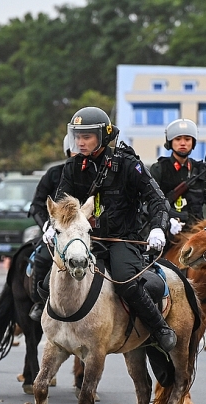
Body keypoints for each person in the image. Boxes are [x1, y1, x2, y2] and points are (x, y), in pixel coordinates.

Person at [32, 106, 176, 352]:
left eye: (86, 136)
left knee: (124, 281)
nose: (80, 141)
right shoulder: (72, 167)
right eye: (77, 136)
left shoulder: (129, 164)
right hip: (86, 240)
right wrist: (50, 225)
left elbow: (158, 200)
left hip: (123, 239)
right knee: (47, 281)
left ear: (103, 136)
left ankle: (160, 327)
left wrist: (158, 229)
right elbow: (59, 204)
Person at [149, 118, 206, 234]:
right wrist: (165, 222)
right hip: (167, 232)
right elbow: (149, 202)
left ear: (193, 142)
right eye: (178, 139)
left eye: (187, 139)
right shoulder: (159, 169)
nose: (183, 143)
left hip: (197, 233)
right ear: (170, 142)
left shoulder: (201, 170)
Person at [27, 137, 69, 321]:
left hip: (85, 231)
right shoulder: (54, 174)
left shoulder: (99, 173)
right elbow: (36, 204)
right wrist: (47, 225)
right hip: (56, 231)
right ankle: (40, 302)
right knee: (43, 258)